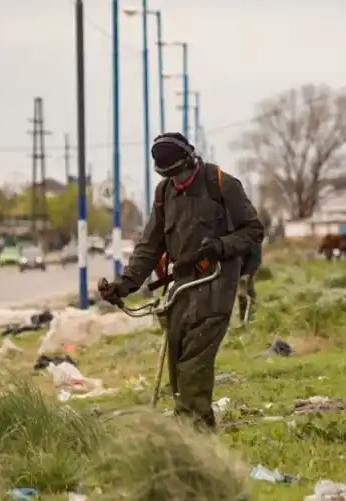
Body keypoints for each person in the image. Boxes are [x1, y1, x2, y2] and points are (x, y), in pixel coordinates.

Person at [98, 132, 264, 430]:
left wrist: (221, 246)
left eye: (182, 173)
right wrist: (124, 284)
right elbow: (149, 246)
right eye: (171, 176)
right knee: (177, 361)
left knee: (193, 364)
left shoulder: (222, 184)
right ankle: (188, 426)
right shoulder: (164, 194)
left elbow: (253, 231)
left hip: (217, 282)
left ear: (192, 160)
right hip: (182, 288)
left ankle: (196, 435)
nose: (179, 180)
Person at [237, 242, 262, 323]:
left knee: (246, 293)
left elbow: (256, 258)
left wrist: (247, 273)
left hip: (244, 270)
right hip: (228, 269)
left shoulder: (252, 236)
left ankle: (248, 320)